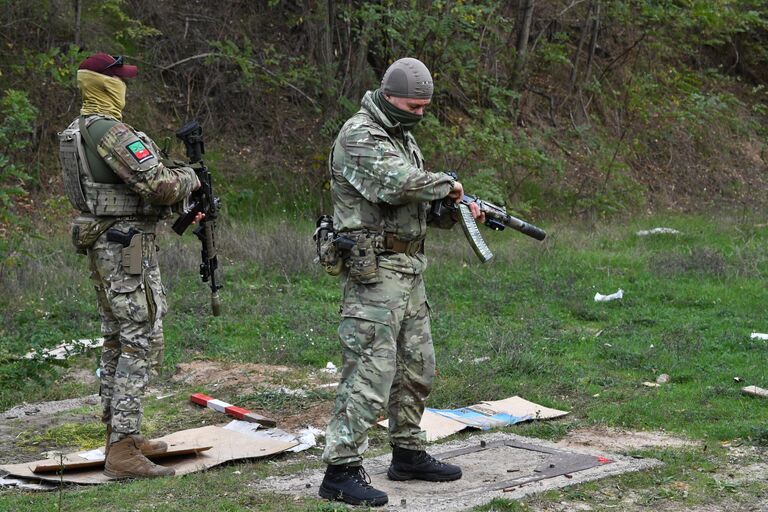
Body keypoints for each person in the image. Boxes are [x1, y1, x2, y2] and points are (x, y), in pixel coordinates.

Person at [319, 57, 485, 507]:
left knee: (418, 367)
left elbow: (419, 206)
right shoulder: (360, 135)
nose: (419, 114)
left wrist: (456, 209)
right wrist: (448, 185)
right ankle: (341, 468)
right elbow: (398, 185)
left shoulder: (401, 137)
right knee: (370, 370)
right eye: (413, 106)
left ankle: (407, 452)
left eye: (425, 107)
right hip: (374, 270)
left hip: (409, 268)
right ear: (390, 97)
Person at [58, 53, 201, 479]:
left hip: (106, 243)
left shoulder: (76, 130)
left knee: (117, 335)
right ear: (104, 84)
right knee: (139, 335)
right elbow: (158, 185)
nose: (125, 87)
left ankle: (121, 436)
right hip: (127, 248)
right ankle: (122, 450)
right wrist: (191, 177)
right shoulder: (110, 132)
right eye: (120, 80)